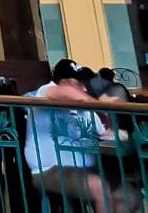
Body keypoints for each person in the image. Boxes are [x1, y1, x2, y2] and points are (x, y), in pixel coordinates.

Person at [23, 65, 107, 211]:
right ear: (64, 82)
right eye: (79, 84)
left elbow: (104, 133)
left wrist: (108, 120)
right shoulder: (45, 93)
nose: (85, 89)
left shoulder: (85, 109)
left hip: (86, 170)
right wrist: (97, 104)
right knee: (99, 187)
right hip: (50, 171)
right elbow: (61, 92)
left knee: (129, 196)